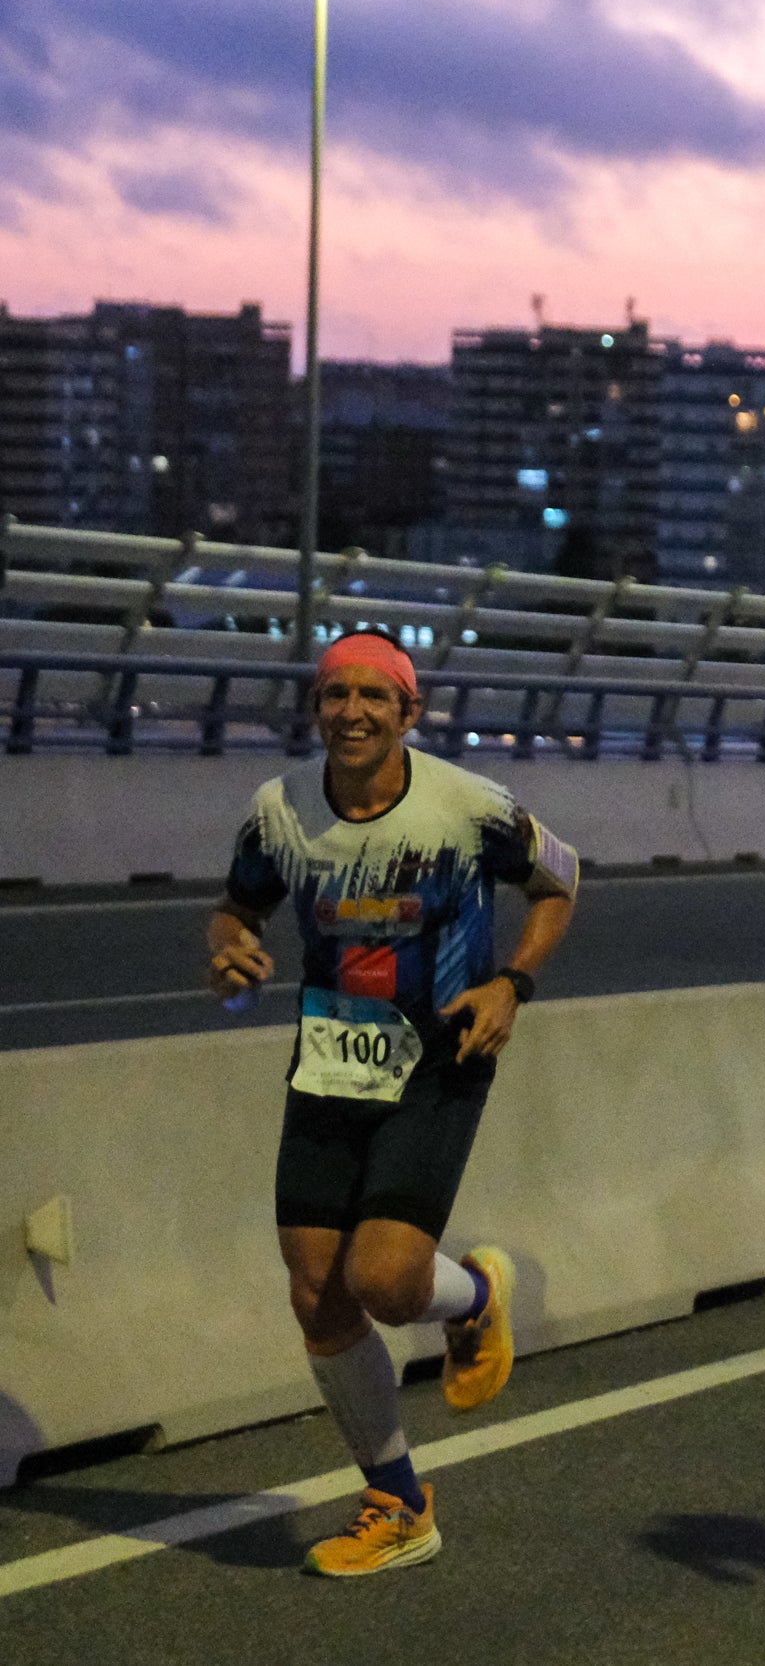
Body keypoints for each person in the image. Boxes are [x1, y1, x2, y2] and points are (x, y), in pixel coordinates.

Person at [203, 631, 578, 1577]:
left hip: (441, 1056)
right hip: (331, 1061)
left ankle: (476, 1296)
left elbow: (559, 881)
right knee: (315, 1294)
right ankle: (398, 1503)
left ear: (410, 713)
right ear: (316, 708)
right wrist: (230, 946)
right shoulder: (279, 809)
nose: (353, 712)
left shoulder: (468, 807)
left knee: (383, 1280)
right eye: (337, 695)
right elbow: (239, 907)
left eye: (375, 696)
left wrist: (513, 985)